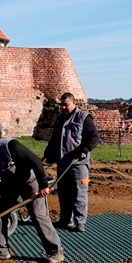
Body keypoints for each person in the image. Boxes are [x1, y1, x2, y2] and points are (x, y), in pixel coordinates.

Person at [0, 137, 64, 263]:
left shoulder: (8, 146)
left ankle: (55, 251)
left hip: (31, 181)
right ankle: (1, 250)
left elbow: (35, 161)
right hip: (10, 183)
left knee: (38, 214)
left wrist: (43, 185)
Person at [43, 92, 100, 232]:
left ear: (73, 103)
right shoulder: (60, 118)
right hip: (63, 162)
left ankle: (79, 222)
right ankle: (65, 220)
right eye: (61, 105)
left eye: (66, 105)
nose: (63, 107)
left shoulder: (84, 118)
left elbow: (94, 137)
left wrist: (84, 149)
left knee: (79, 192)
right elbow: (55, 138)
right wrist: (48, 153)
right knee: (63, 192)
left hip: (78, 163)